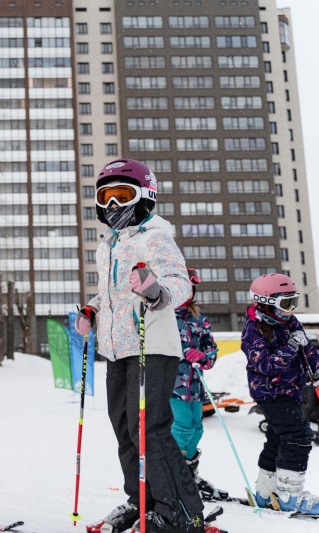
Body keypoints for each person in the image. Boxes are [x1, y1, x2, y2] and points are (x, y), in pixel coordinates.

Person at [75, 159, 205, 533]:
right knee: (125, 429)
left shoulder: (155, 237)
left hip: (153, 347)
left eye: (123, 195)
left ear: (146, 197)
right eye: (106, 196)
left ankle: (180, 509)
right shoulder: (107, 247)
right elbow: (110, 295)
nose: (114, 205)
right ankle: (142, 498)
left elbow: (179, 284)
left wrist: (156, 291)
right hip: (116, 349)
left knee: (151, 429)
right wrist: (92, 310)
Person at [242, 273, 319, 515]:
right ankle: (290, 495)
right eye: (285, 303)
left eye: (294, 302)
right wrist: (290, 346)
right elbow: (267, 366)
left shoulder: (290, 323)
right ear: (266, 303)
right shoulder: (253, 330)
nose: (291, 309)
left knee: (278, 438)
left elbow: (310, 352)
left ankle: (265, 492)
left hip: (291, 392)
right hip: (270, 394)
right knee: (298, 437)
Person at [170, 268, 226, 501]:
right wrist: (184, 352)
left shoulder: (197, 318)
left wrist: (203, 356)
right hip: (172, 385)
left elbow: (211, 348)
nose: (186, 294)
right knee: (182, 429)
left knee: (196, 428)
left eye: (190, 289)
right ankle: (173, 475)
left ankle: (188, 473)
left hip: (194, 386)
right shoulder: (162, 316)